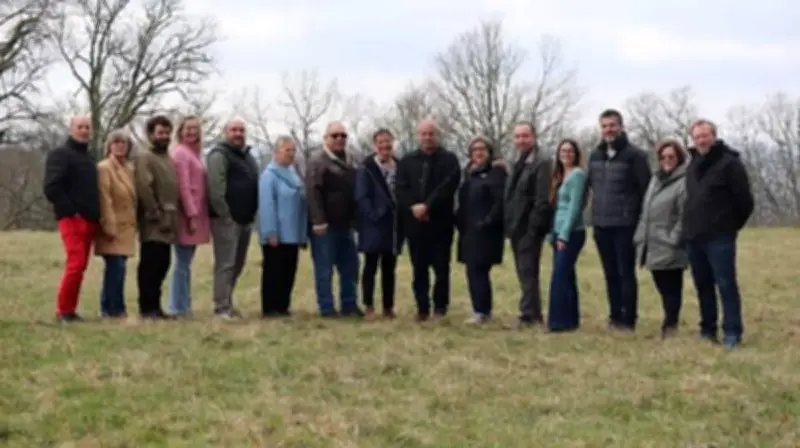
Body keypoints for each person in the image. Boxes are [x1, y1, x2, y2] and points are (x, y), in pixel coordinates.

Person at [683, 119, 754, 349]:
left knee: (726, 285)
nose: (701, 140)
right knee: (703, 285)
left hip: (720, 237)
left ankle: (732, 331)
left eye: (705, 135)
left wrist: (729, 226)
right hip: (695, 236)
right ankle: (708, 329)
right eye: (697, 137)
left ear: (714, 136)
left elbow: (745, 201)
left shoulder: (729, 163)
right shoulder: (693, 164)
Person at [587, 109, 651, 332]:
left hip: (625, 225)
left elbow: (646, 191)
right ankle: (614, 315)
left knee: (625, 272)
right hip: (601, 224)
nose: (609, 130)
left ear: (622, 127)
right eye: (604, 126)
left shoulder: (635, 156)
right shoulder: (595, 155)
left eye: (612, 125)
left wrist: (639, 221)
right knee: (609, 273)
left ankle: (628, 318)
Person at [396, 118, 461, 321]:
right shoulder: (407, 161)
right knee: (419, 268)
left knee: (441, 268)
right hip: (415, 225)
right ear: (418, 136)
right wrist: (414, 206)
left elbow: (449, 185)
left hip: (440, 223)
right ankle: (422, 308)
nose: (427, 138)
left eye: (431, 134)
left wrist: (428, 205)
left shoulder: (449, 159)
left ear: (437, 136)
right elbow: (400, 187)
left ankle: (440, 307)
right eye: (423, 134)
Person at [43, 115, 100, 322]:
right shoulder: (61, 155)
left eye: (87, 127)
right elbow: (51, 188)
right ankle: (63, 311)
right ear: (71, 130)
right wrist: (71, 211)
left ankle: (70, 310)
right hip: (72, 219)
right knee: (75, 264)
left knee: (81, 265)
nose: (84, 131)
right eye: (80, 127)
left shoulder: (89, 158)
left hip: (90, 219)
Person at [306, 121, 363, 317]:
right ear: (325, 138)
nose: (339, 139)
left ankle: (349, 305)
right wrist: (318, 220)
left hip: (347, 225)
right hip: (325, 226)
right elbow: (312, 192)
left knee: (350, 267)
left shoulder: (352, 159)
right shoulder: (317, 160)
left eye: (343, 135)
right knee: (324, 269)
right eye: (335, 135)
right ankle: (327, 307)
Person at [634, 140, 689, 339]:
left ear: (679, 158)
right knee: (662, 286)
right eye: (663, 157)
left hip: (670, 245)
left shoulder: (684, 182)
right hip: (652, 242)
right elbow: (646, 209)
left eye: (671, 157)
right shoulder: (655, 180)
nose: (667, 160)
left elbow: (684, 215)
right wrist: (640, 236)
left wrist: (674, 239)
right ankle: (669, 321)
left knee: (672, 287)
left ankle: (670, 325)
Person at [207, 118, 260, 320]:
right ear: (225, 132)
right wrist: (225, 215)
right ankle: (221, 307)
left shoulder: (247, 156)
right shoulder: (219, 155)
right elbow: (216, 189)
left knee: (237, 263)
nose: (238, 133)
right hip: (226, 220)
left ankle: (228, 302)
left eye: (241, 130)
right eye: (233, 130)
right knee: (226, 263)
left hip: (245, 219)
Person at [503, 122, 552, 328]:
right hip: (516, 227)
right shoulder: (519, 162)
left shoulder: (541, 163)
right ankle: (531, 311)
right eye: (517, 137)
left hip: (529, 228)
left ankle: (529, 315)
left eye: (525, 136)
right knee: (523, 272)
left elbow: (542, 200)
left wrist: (533, 230)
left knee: (528, 271)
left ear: (534, 137)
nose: (521, 140)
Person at [455, 136, 507, 324]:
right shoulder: (469, 174)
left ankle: (482, 311)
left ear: (489, 152)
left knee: (478, 270)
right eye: (474, 149)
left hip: (485, 231)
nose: (478, 152)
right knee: (472, 270)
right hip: (468, 231)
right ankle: (480, 309)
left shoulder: (496, 173)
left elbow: (499, 202)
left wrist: (487, 222)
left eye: (482, 149)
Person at [134, 115, 179, 320]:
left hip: (170, 219)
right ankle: (147, 308)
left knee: (163, 263)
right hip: (153, 220)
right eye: (160, 132)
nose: (165, 136)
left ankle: (156, 307)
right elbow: (144, 185)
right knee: (150, 264)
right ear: (151, 134)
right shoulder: (145, 157)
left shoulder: (168, 159)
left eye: (167, 132)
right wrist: (153, 212)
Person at [257, 136, 307, 317]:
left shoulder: (293, 174)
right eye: (287, 150)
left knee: (288, 272)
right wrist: (270, 232)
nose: (291, 154)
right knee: (273, 272)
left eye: (293, 150)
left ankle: (283, 306)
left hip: (292, 234)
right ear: (276, 152)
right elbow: (267, 205)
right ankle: (270, 308)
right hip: (276, 235)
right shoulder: (269, 176)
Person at [355, 128, 401, 320]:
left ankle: (388, 307)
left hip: (393, 225)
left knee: (389, 268)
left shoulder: (399, 165)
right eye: (380, 142)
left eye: (387, 141)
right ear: (375, 145)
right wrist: (374, 216)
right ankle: (368, 305)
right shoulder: (366, 167)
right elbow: (361, 196)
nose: (385, 146)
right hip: (373, 225)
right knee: (370, 267)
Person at [168, 115, 211, 318]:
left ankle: (184, 304)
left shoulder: (197, 154)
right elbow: (183, 186)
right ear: (180, 131)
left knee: (186, 262)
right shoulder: (181, 154)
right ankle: (177, 307)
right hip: (187, 215)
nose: (192, 132)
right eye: (188, 129)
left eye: (195, 128)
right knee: (181, 263)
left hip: (198, 213)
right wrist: (191, 214)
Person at [94, 130, 136, 319]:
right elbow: (104, 198)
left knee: (121, 268)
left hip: (127, 226)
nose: (120, 145)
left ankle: (118, 307)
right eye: (116, 142)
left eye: (123, 142)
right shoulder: (104, 168)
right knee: (115, 267)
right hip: (112, 225)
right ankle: (109, 308)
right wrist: (109, 225)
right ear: (109, 145)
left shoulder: (130, 169)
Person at [547, 139, 587, 333]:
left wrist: (563, 235)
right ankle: (571, 320)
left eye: (570, 151)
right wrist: (552, 233)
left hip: (571, 232)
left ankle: (557, 322)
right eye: (563, 151)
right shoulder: (560, 175)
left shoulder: (578, 175)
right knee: (567, 276)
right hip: (557, 231)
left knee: (559, 277)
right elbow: (556, 208)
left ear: (576, 154)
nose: (566, 154)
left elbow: (574, 207)